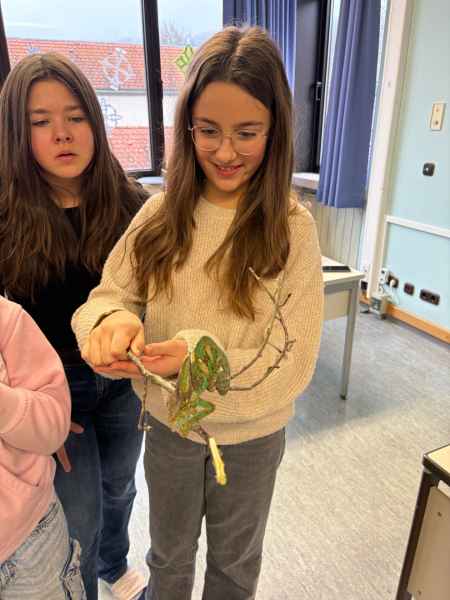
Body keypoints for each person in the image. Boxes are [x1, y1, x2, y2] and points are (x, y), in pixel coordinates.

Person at [72, 26, 324, 600]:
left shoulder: (292, 229)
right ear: (187, 127)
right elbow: (106, 298)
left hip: (253, 437)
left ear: (275, 131)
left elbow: (291, 364)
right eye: (208, 131)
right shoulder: (159, 215)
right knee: (168, 558)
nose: (226, 152)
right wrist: (110, 324)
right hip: (169, 431)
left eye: (247, 133)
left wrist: (197, 358)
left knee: (234, 566)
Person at [0, 53, 148, 600]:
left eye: (75, 116)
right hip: (55, 393)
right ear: (19, 135)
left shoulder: (136, 206)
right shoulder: (7, 216)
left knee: (120, 487)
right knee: (78, 514)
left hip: (125, 382)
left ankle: (115, 562)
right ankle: (83, 583)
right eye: (41, 122)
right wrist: (34, 423)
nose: (62, 133)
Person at [0, 295, 86, 599]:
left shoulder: (7, 319)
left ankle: (114, 563)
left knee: (109, 496)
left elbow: (51, 421)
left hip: (29, 537)